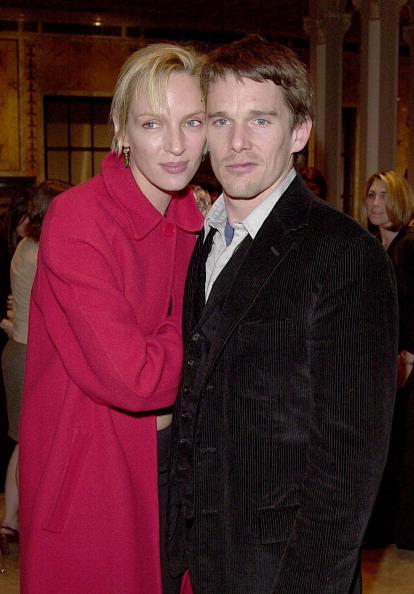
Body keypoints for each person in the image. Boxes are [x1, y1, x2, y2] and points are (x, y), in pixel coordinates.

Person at [167, 34, 399, 594]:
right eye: (220, 120)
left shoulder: (346, 254)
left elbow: (347, 467)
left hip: (283, 572)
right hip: (199, 563)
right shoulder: (204, 238)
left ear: (299, 132)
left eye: (260, 120)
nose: (237, 142)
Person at [19, 43, 206, 594]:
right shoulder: (79, 216)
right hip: (93, 479)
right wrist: (199, 325)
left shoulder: (200, 223)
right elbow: (134, 379)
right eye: (152, 123)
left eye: (192, 121)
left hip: (180, 469)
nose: (176, 144)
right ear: (121, 131)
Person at [0, 182, 69, 560]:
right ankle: (20, 522)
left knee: (22, 442)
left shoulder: (27, 245)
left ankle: (11, 521)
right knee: (30, 444)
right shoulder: (42, 250)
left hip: (19, 350)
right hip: (30, 354)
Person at [361, 170, 414, 550]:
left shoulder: (410, 245)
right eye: (371, 195)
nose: (376, 203)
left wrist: (409, 356)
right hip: (386, 365)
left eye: (383, 195)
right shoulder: (376, 245)